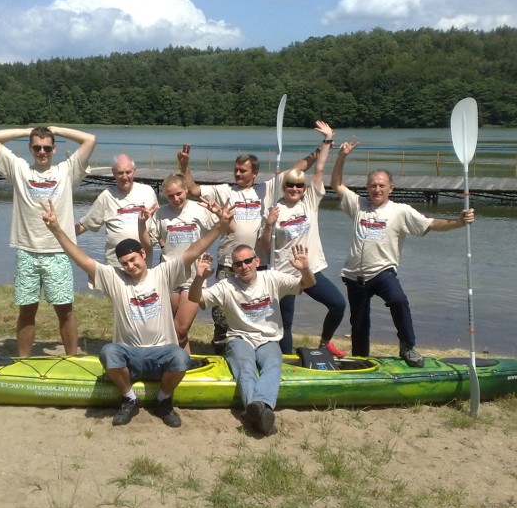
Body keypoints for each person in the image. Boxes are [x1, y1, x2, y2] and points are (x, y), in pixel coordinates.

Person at [41, 199, 232, 428]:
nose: (130, 266)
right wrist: (56, 229)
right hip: (130, 357)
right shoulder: (114, 278)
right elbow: (81, 259)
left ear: (143, 254)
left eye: (133, 259)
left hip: (162, 354)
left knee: (181, 357)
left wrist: (220, 227)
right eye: (124, 263)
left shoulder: (162, 273)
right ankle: (129, 399)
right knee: (108, 352)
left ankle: (163, 399)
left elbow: (192, 251)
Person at [330, 140, 475, 367]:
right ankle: (360, 358)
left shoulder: (401, 211)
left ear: (391, 188)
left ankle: (407, 347)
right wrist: (341, 157)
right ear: (367, 188)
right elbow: (336, 184)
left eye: (381, 186)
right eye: (372, 186)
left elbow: (431, 224)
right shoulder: (358, 205)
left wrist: (458, 222)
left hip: (382, 272)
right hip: (354, 276)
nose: (376, 189)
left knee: (399, 301)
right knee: (358, 323)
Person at [178, 143, 322, 353]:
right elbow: (193, 189)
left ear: (254, 173)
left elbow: (296, 170)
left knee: (259, 313)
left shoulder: (267, 189)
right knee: (222, 315)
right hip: (229, 263)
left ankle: (259, 351)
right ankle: (222, 352)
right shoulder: (225, 191)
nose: (237, 173)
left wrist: (320, 151)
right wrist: (184, 166)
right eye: (235, 170)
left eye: (242, 170)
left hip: (258, 265)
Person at [0, 125, 96, 357]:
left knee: (65, 311)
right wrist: (27, 131)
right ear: (30, 148)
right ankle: (24, 360)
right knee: (26, 311)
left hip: (59, 251)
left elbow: (90, 140)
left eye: (46, 147)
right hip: (27, 251)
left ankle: (72, 359)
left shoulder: (67, 170)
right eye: (36, 147)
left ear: (54, 149)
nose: (42, 151)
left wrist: (55, 129)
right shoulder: (19, 169)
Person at [188, 244, 315, 436]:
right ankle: (261, 410)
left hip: (268, 339)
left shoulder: (272, 278)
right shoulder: (226, 286)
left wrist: (305, 269)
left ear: (257, 261)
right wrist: (199, 278)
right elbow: (195, 298)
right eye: (238, 264)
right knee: (245, 369)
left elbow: (307, 284)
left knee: (273, 364)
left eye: (248, 261)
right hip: (239, 338)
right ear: (233, 268)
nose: (244, 266)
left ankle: (256, 408)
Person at [260, 121, 348, 357]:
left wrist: (328, 140)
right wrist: (268, 225)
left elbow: (318, 169)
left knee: (338, 304)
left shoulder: (310, 202)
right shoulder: (274, 209)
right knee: (285, 324)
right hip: (284, 273)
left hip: (311, 270)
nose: (295, 189)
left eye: (299, 185)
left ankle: (324, 343)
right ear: (284, 186)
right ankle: (286, 361)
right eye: (290, 185)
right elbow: (265, 247)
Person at [138, 168, 217, 353]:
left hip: (194, 275)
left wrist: (220, 215)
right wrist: (141, 223)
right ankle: (183, 364)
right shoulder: (161, 214)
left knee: (180, 328)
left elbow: (224, 229)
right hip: (169, 274)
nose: (175, 199)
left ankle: (178, 364)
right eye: (170, 196)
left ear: (186, 190)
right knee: (175, 330)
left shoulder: (200, 210)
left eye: (179, 194)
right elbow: (147, 243)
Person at [75, 153, 157, 266]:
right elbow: (86, 224)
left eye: (128, 172)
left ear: (134, 171)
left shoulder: (147, 191)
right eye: (120, 173)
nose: (125, 177)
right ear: (114, 173)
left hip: (143, 264)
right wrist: (60, 236)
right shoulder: (107, 196)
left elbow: (159, 222)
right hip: (116, 264)